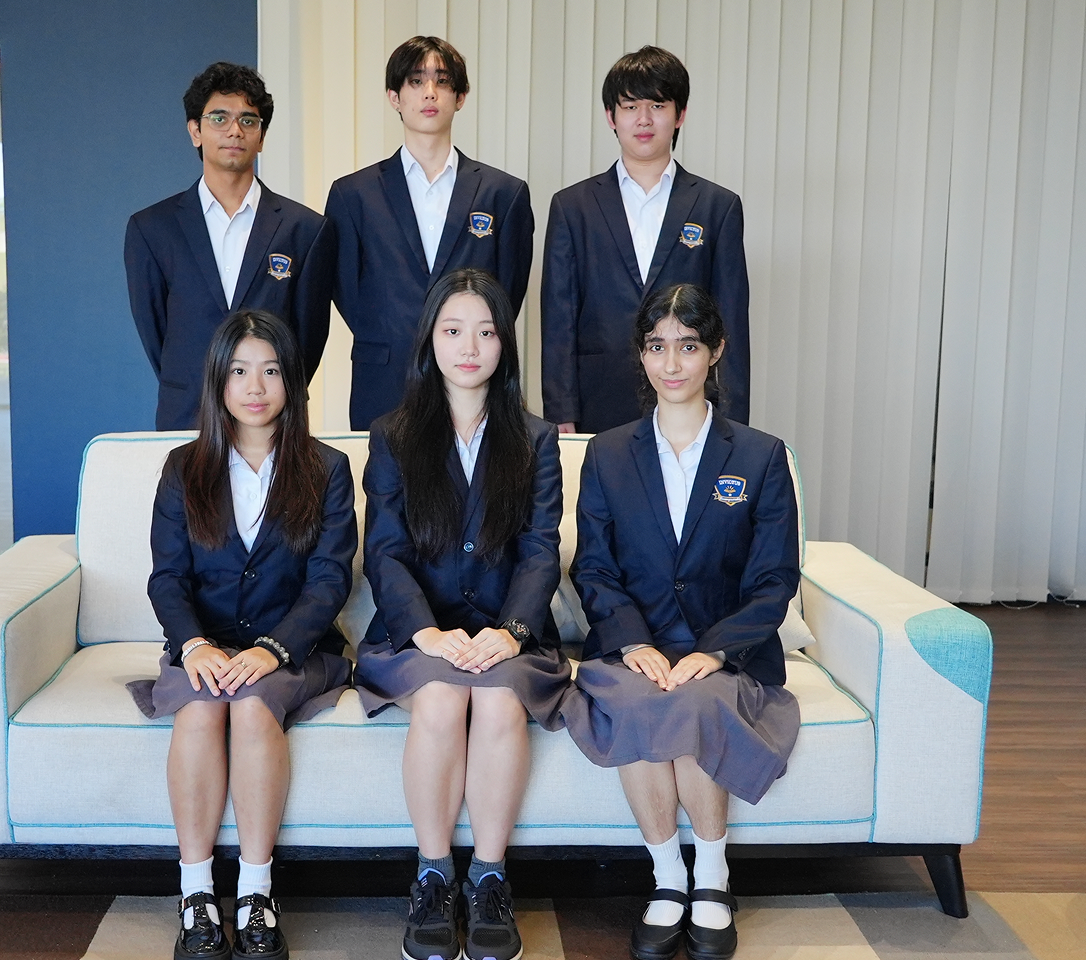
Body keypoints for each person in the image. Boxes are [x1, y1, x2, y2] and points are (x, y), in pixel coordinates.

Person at [562, 284, 799, 960]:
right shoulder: (606, 455)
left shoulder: (759, 456)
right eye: (658, 347)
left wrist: (718, 651)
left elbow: (774, 578)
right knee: (639, 702)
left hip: (726, 657)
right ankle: (669, 878)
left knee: (694, 702)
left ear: (715, 352)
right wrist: (633, 639)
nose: (673, 364)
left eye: (688, 347)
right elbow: (596, 571)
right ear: (642, 356)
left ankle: (714, 880)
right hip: (634, 652)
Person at [127, 310, 357, 960]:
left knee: (254, 711)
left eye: (271, 370)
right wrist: (196, 645)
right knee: (200, 714)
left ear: (292, 381)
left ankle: (257, 894)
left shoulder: (326, 467)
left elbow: (329, 582)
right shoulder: (182, 468)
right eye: (238, 371)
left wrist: (271, 650)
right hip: (202, 646)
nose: (255, 386)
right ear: (217, 382)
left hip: (293, 650)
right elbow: (167, 579)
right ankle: (197, 895)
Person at [354, 268, 566, 960]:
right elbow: (383, 553)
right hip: (419, 632)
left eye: (484, 330)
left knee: (501, 706)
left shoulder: (534, 440)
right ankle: (434, 876)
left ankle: (492, 879)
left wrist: (509, 634)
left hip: (512, 631)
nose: (468, 345)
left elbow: (541, 552)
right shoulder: (391, 435)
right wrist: (429, 633)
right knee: (443, 700)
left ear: (504, 343)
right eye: (452, 330)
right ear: (430, 341)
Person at [325, 36, 535, 430]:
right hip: (385, 376)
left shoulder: (503, 194)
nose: (429, 93)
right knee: (384, 489)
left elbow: (507, 291)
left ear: (461, 96)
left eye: (442, 81)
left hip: (474, 380)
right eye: (416, 81)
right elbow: (346, 291)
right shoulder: (352, 194)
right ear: (394, 96)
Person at [541, 45, 751, 435]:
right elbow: (558, 319)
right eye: (630, 106)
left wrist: (733, 420)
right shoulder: (573, 206)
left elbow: (732, 321)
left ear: (679, 115)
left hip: (691, 400)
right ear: (611, 116)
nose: (643, 119)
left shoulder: (716, 207)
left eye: (657, 105)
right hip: (597, 401)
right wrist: (560, 413)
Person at [126, 62, 336, 430]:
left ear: (262, 136)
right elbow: (156, 331)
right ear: (195, 130)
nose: (234, 130)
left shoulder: (305, 229)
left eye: (248, 120)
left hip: (273, 419)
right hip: (188, 413)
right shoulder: (152, 228)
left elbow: (309, 337)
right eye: (219, 118)